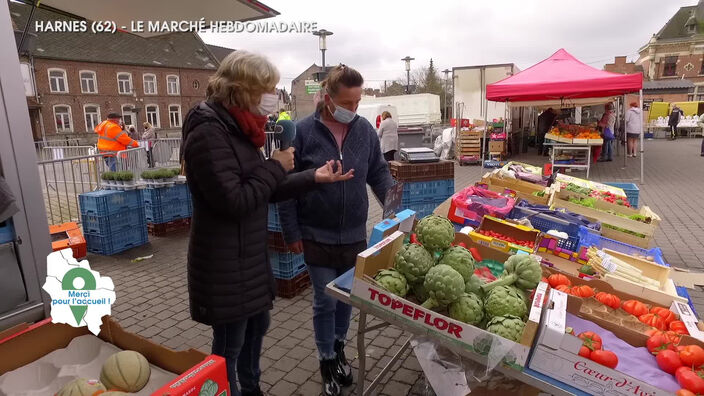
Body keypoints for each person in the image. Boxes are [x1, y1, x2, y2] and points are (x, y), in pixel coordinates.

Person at [180, 51, 353, 396]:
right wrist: (275, 166)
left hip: (247, 259)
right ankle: (226, 390)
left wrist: (311, 177)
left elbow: (261, 190)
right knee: (230, 342)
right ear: (244, 89)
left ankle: (251, 387)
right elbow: (235, 200)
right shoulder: (208, 133)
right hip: (224, 264)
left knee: (258, 325)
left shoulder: (240, 127)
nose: (274, 96)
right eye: (269, 88)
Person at [278, 64, 394, 396]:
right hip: (315, 232)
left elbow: (379, 173)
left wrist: (394, 204)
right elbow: (287, 188)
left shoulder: (365, 131)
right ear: (328, 98)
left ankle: (340, 349)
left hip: (354, 234)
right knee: (324, 301)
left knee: (347, 299)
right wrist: (291, 232)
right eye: (348, 103)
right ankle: (326, 360)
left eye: (358, 102)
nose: (354, 110)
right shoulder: (302, 132)